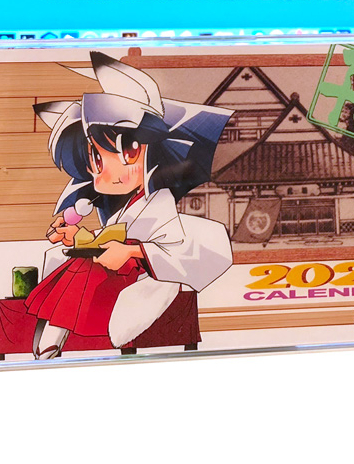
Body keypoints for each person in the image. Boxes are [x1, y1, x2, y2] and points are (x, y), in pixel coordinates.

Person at [25, 52, 233, 358]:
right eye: (95, 160)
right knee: (77, 263)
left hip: (144, 276)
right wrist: (77, 237)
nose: (103, 171)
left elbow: (171, 247)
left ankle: (53, 338)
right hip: (114, 271)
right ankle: (52, 336)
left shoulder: (159, 200)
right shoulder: (120, 205)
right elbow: (109, 236)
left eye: (127, 151)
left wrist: (133, 252)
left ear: (148, 149)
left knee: (84, 269)